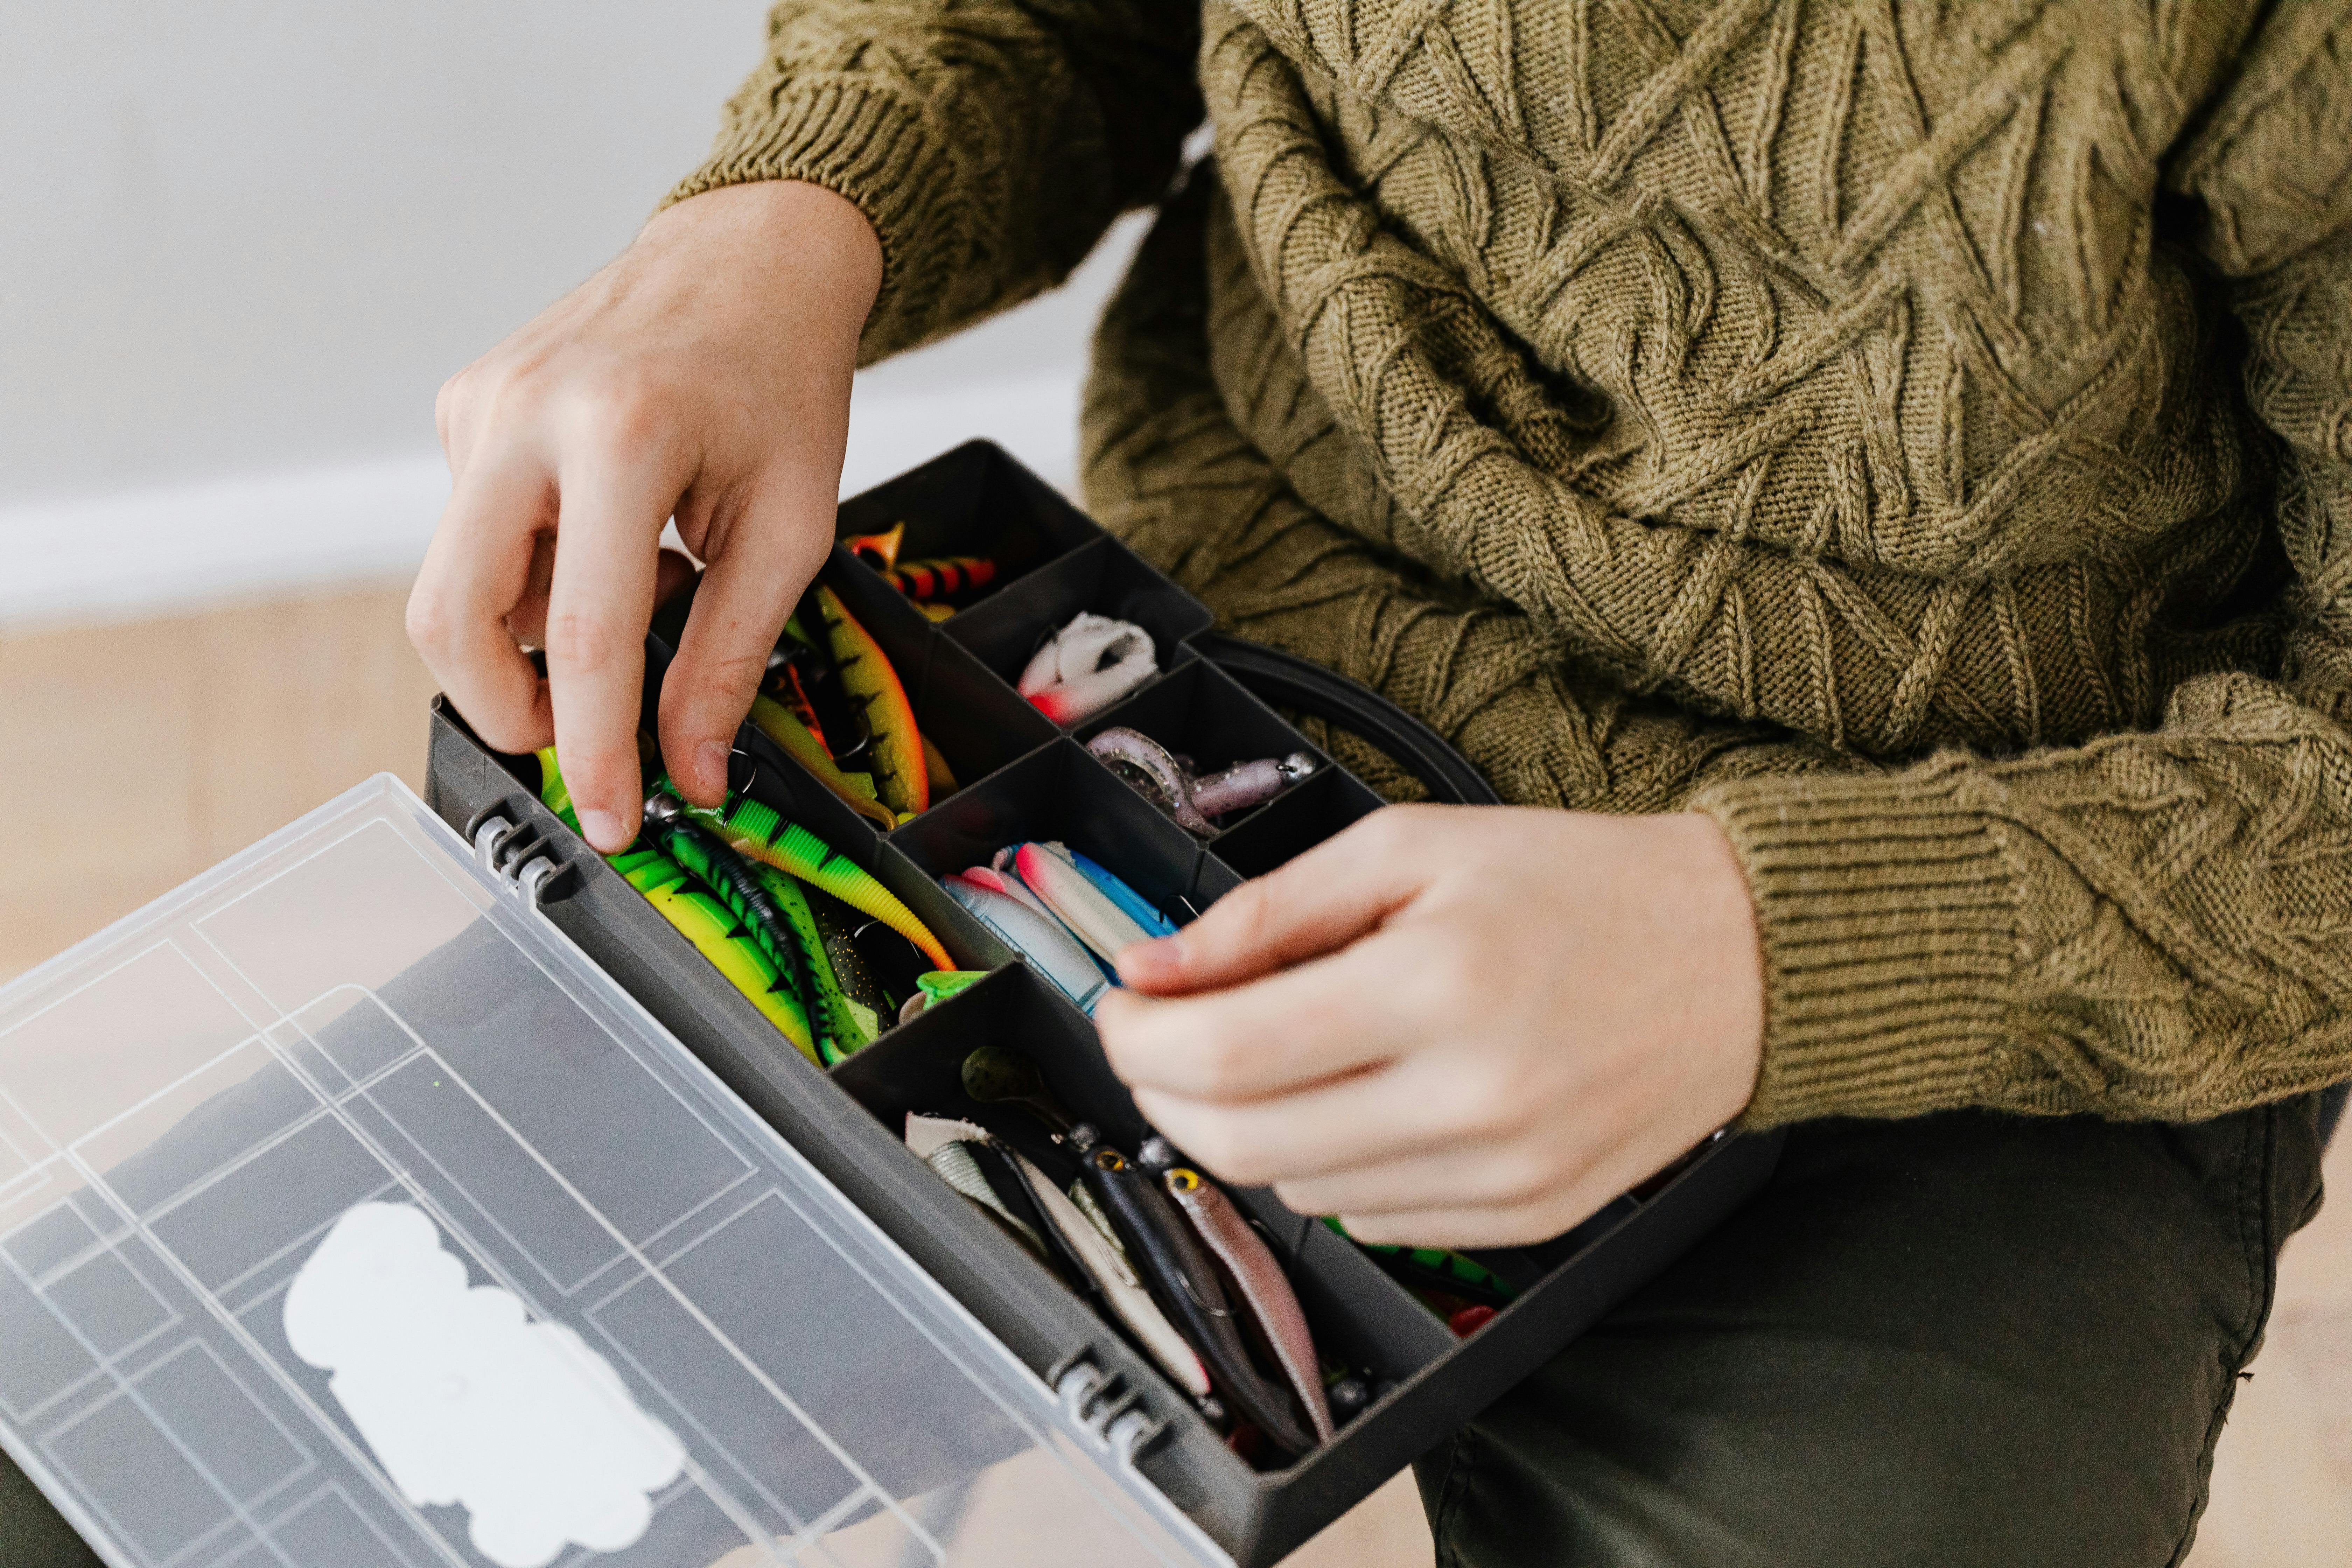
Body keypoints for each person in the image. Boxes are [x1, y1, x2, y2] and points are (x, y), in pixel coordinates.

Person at [17, 4, 2342, 1566]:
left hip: (2022, 927)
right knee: (108, 1422)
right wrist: (776, 226)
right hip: (1187, 670)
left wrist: (1778, 951)